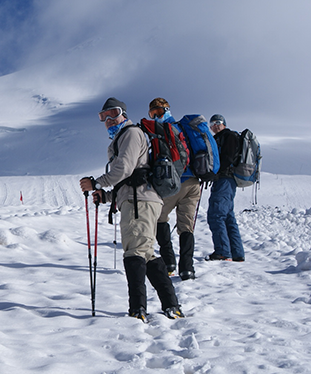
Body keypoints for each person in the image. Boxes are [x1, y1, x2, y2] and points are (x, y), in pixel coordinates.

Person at [80, 97, 184, 321]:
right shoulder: (122, 138)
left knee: (135, 253)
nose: (108, 120)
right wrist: (106, 196)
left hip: (140, 201)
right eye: (103, 117)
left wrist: (96, 183)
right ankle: (170, 305)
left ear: (124, 114)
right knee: (145, 253)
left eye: (113, 114)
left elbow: (124, 169)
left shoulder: (131, 134)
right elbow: (127, 179)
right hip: (137, 199)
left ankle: (138, 309)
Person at [148, 98, 200, 281]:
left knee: (159, 218)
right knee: (186, 226)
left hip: (175, 183)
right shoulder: (184, 128)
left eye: (158, 113)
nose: (155, 117)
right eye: (152, 114)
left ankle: (169, 262)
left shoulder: (162, 131)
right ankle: (187, 269)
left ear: (166, 110)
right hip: (194, 183)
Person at [206, 114, 245, 262]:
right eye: (212, 124)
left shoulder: (229, 136)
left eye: (218, 122)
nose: (215, 126)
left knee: (216, 215)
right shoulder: (220, 138)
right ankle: (236, 253)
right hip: (227, 180)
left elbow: (228, 157)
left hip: (225, 179)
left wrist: (216, 172)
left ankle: (223, 252)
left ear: (224, 124)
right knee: (228, 216)